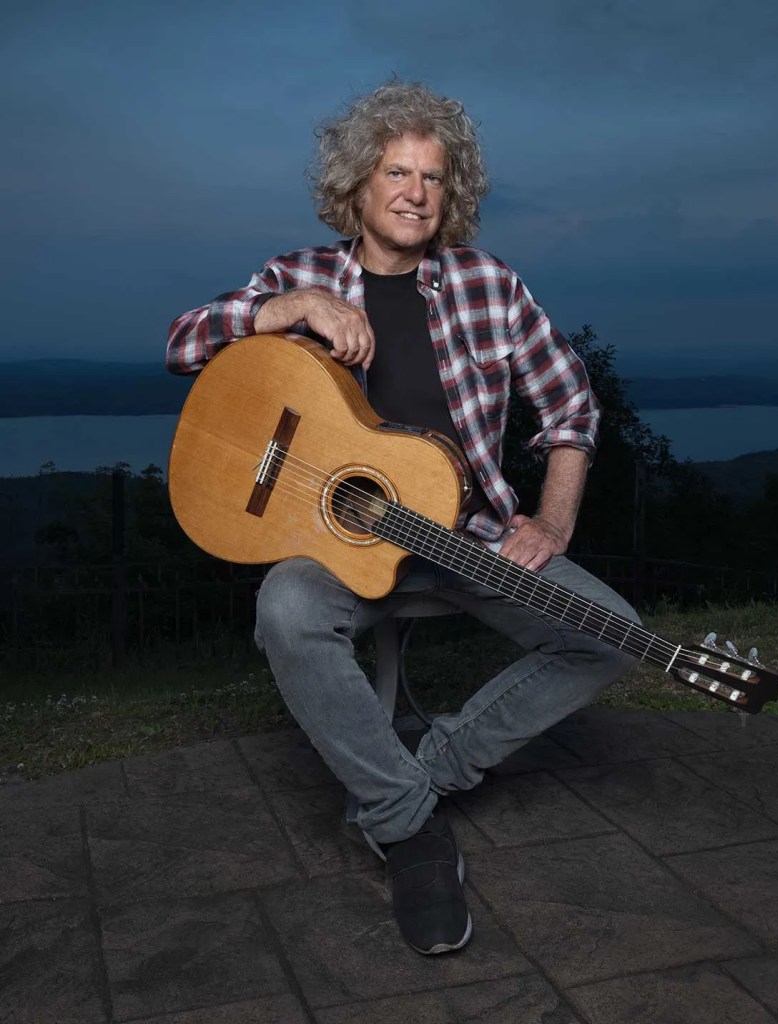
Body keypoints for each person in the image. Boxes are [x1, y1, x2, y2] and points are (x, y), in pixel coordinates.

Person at [166, 80, 640, 956]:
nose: (416, 191)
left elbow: (573, 404)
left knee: (611, 632)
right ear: (359, 183)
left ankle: (419, 780)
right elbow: (184, 343)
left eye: (432, 176)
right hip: (331, 543)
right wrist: (288, 311)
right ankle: (414, 835)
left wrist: (554, 519)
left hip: (463, 541)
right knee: (286, 610)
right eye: (397, 170)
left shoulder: (488, 285)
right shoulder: (299, 276)